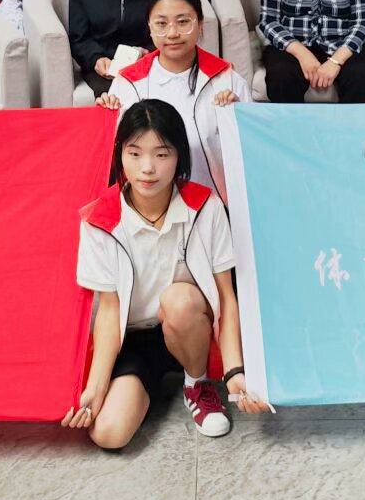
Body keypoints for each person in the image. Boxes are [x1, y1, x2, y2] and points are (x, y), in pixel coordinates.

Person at [68, 99, 264, 448]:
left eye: (161, 154)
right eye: (135, 154)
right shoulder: (99, 220)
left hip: (189, 326)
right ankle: (147, 387)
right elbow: (109, 311)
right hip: (133, 339)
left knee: (179, 299)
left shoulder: (205, 206)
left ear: (179, 157)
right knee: (109, 434)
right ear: (120, 154)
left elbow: (226, 297)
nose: (147, 168)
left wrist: (234, 371)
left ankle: (197, 384)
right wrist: (96, 388)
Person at [99, 0, 247, 196]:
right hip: (146, 205)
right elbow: (110, 155)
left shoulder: (227, 80)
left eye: (183, 22)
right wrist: (103, 116)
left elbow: (251, 152)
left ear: (200, 24)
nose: (172, 34)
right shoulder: (128, 82)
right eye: (161, 23)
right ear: (149, 27)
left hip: (214, 204)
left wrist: (239, 118)